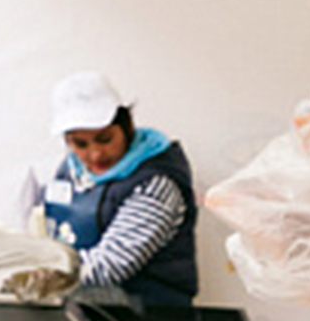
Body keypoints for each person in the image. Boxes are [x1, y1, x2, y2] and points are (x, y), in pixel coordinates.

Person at [42, 70, 198, 307]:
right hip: (85, 311)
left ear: (126, 127)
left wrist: (36, 275)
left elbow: (109, 266)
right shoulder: (71, 171)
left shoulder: (155, 184)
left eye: (105, 139)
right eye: (80, 144)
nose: (95, 154)